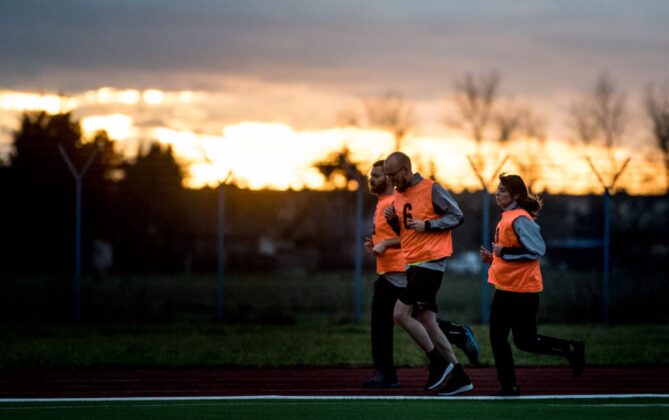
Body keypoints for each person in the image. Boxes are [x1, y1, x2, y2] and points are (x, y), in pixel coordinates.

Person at [362, 160, 480, 389]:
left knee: (400, 315)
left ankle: (438, 362)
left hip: (428, 263)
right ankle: (459, 375)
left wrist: (425, 226)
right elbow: (407, 234)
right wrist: (393, 222)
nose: (389, 180)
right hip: (413, 264)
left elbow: (457, 216)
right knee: (425, 320)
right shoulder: (398, 197)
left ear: (404, 170)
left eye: (390, 175)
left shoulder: (430, 188)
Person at [480, 174, 585, 397]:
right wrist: (494, 257)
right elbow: (514, 254)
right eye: (497, 190)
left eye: (502, 190)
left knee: (522, 341)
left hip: (522, 291)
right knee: (508, 340)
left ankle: (571, 349)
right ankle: (510, 386)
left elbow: (536, 250)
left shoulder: (520, 219)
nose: (497, 194)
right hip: (506, 288)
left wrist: (504, 252)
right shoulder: (508, 217)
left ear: (516, 195)